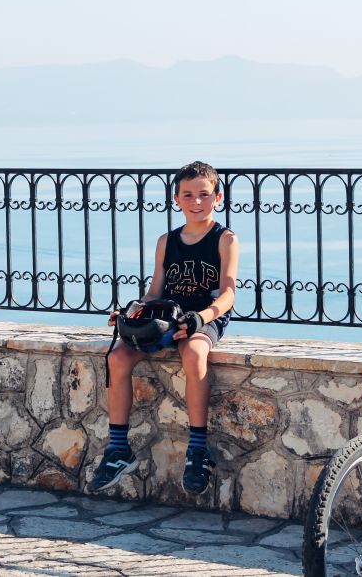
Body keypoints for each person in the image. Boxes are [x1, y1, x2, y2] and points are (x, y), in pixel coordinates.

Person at [87, 161, 239, 496]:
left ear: (218, 197)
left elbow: (228, 293)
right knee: (118, 357)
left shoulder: (224, 239)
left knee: (195, 352)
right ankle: (118, 450)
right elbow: (155, 290)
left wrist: (201, 318)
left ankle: (197, 450)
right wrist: (133, 311)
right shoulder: (166, 241)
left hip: (205, 316)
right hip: (166, 316)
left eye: (203, 194)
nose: (196, 201)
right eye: (188, 195)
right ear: (176, 199)